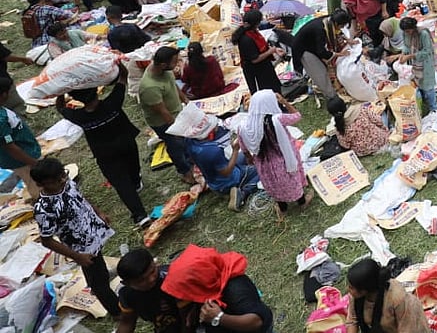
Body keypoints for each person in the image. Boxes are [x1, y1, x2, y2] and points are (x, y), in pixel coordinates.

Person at [56, 63, 148, 224]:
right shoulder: (113, 103)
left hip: (105, 152)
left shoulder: (78, 116)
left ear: (76, 99)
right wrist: (116, 62)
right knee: (132, 164)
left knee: (121, 182)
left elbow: (60, 107)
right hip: (126, 142)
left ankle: (140, 215)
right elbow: (123, 77)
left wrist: (62, 91)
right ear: (97, 91)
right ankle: (135, 181)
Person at [31, 158, 121, 316]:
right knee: (98, 281)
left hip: (94, 233)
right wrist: (77, 257)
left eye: (63, 176)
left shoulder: (67, 183)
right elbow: (47, 240)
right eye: (55, 181)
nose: (62, 181)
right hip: (82, 249)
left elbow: (81, 198)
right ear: (41, 184)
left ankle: (103, 281)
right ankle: (117, 311)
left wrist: (98, 212)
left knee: (99, 269)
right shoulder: (44, 209)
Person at [116, 245, 273, 333]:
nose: (152, 279)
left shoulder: (235, 288)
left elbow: (257, 322)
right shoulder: (206, 290)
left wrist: (218, 317)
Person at [169, 104, 259, 210]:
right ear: (208, 134)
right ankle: (243, 192)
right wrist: (235, 150)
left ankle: (243, 175)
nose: (216, 127)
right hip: (228, 181)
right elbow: (226, 172)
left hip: (213, 182)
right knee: (261, 172)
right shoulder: (212, 151)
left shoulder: (191, 142)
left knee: (242, 157)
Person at [239, 90, 311, 218]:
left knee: (273, 184)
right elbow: (297, 116)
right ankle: (302, 202)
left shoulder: (244, 126)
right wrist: (284, 102)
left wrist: (249, 158)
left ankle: (283, 209)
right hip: (283, 159)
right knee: (291, 179)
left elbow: (243, 146)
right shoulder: (277, 119)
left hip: (263, 164)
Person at [138, 46, 193, 184]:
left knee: (185, 141)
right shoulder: (149, 87)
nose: (177, 64)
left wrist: (186, 101)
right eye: (175, 61)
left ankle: (191, 161)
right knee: (175, 145)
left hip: (176, 112)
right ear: (163, 64)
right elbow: (163, 112)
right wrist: (176, 129)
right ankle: (185, 173)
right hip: (163, 121)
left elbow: (174, 86)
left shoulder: (164, 71)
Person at [345, 258, 431, 333]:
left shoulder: (398, 300)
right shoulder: (357, 296)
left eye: (351, 287)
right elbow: (352, 320)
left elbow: (409, 330)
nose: (347, 289)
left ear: (364, 290)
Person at [0, 74, 42, 199]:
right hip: (21, 159)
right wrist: (33, 162)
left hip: (25, 152)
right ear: (4, 95)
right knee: (35, 183)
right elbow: (10, 146)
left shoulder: (2, 111)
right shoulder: (1, 120)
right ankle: (44, 203)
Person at [292, 10, 349, 100]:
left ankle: (329, 88)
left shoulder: (330, 20)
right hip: (304, 50)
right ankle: (332, 96)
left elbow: (338, 32)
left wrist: (348, 40)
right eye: (342, 26)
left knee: (323, 68)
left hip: (312, 45)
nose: (342, 28)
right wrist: (339, 54)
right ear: (337, 23)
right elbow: (322, 52)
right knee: (320, 72)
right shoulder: (321, 30)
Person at [232, 9, 283, 94]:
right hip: (256, 72)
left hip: (265, 66)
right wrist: (270, 52)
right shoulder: (246, 39)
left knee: (275, 89)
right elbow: (254, 59)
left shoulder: (254, 32)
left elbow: (262, 46)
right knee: (265, 93)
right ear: (256, 23)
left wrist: (274, 50)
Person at [395, 17, 437, 113]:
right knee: (417, 81)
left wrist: (410, 56)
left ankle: (434, 108)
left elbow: (427, 51)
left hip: (425, 62)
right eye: (405, 31)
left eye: (409, 31)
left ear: (414, 28)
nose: (407, 33)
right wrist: (403, 54)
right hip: (414, 62)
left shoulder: (423, 34)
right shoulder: (405, 33)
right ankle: (424, 99)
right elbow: (406, 45)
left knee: (428, 85)